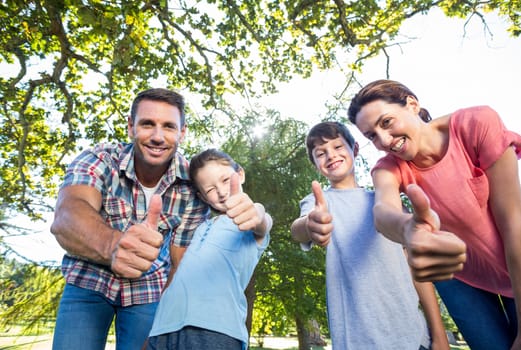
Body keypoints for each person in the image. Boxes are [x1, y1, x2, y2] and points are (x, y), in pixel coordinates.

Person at [347, 79, 521, 350]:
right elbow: (384, 212)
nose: (383, 141)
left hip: (517, 260)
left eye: (386, 123)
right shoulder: (388, 168)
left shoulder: (476, 125)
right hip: (460, 276)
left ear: (412, 105)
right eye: (371, 135)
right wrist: (407, 229)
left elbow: (514, 224)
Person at [50, 88, 210, 350]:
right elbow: (67, 216)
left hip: (149, 293)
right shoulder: (99, 159)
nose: (158, 136)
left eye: (169, 126)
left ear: (182, 132)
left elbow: (179, 266)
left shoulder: (193, 186)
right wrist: (113, 246)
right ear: (130, 127)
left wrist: (164, 324)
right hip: (87, 283)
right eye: (148, 124)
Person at [290, 121, 449, 349]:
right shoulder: (319, 204)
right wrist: (310, 225)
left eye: (337, 147)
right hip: (357, 339)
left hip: (413, 336)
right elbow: (298, 230)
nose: (331, 156)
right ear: (316, 165)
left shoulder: (387, 201)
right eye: (320, 153)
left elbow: (417, 270)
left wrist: (439, 333)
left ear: (354, 149)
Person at [146, 148, 272, 350]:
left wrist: (257, 213)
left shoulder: (248, 219)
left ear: (240, 174)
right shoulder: (199, 228)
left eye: (225, 180)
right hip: (164, 328)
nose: (221, 191)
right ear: (203, 197)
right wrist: (154, 329)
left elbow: (262, 222)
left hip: (214, 329)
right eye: (211, 190)